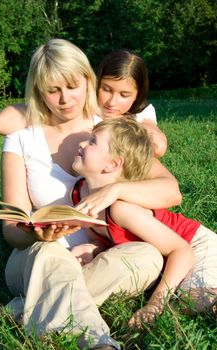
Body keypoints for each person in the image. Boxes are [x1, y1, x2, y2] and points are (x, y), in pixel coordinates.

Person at [0, 38, 182, 348]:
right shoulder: (20, 139)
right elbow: (12, 229)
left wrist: (116, 188)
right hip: (37, 257)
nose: (65, 99)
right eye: (53, 90)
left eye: (73, 86)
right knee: (51, 256)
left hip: (102, 255)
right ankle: (96, 342)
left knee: (147, 255)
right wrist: (38, 235)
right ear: (39, 91)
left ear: (88, 81)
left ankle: (15, 310)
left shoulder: (107, 129)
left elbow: (169, 190)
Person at [71, 117, 217, 328]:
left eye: (92, 141)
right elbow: (112, 238)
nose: (82, 144)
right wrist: (93, 248)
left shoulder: (121, 208)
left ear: (113, 163)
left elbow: (181, 251)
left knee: (189, 303)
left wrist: (155, 304)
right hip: (169, 254)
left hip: (195, 247)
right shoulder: (80, 193)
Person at [0, 50, 166, 158]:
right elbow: (1, 124)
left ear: (137, 95)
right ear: (95, 83)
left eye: (124, 94)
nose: (112, 102)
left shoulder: (138, 118)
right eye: (106, 89)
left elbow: (158, 148)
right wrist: (48, 110)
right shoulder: (80, 108)